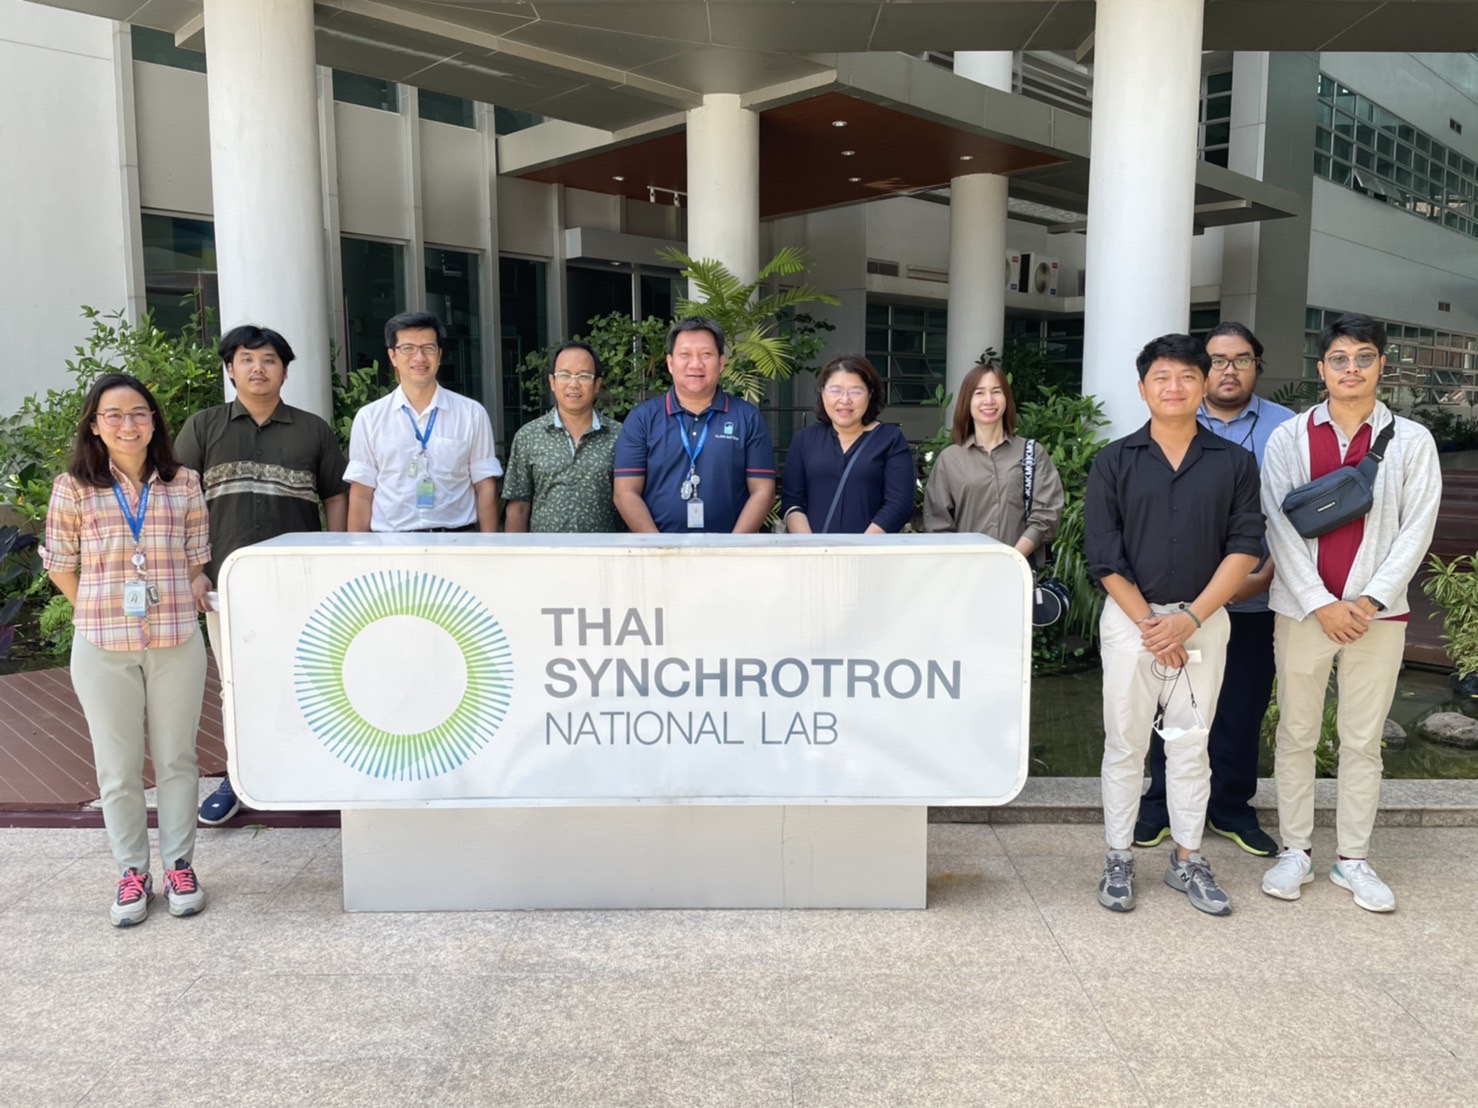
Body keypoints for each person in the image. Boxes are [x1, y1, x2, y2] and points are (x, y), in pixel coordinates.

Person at [1259, 313, 1442, 912]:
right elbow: (1278, 525)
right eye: (1339, 359)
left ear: (1382, 365)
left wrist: (1367, 601)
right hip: (1302, 612)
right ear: (1322, 368)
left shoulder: (1411, 441)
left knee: (1363, 740)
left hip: (1377, 617)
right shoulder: (1290, 438)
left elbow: (1417, 529)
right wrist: (1320, 602)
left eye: (1364, 357)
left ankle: (1354, 859)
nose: (1352, 368)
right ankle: (1296, 850)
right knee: (1296, 733)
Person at [1085, 334, 1263, 916]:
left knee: (1191, 746)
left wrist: (1187, 619)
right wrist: (1151, 624)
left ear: (1203, 384)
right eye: (1161, 377)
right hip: (1130, 622)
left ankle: (1188, 859)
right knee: (1125, 743)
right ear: (1143, 389)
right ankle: (1118, 855)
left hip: (1203, 620)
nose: (1174, 387)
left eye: (1187, 376)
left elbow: (1244, 547)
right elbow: (1103, 555)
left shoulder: (1234, 462)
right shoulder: (1114, 461)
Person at [41, 373, 212, 927]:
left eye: (138, 413)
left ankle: (180, 865)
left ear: (154, 421)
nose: (127, 424)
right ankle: (132, 872)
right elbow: (60, 565)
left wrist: (183, 590)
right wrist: (95, 609)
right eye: (113, 415)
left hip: (176, 638)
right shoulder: (73, 487)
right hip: (102, 643)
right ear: (94, 425)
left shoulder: (183, 482)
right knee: (117, 767)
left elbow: (195, 557)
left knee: (177, 759)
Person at [174, 324, 349, 826]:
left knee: (304, 678)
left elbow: (336, 496)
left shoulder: (312, 430)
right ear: (230, 369)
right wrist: (194, 572)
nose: (258, 368)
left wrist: (333, 559)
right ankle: (240, 776)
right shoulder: (204, 427)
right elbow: (177, 500)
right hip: (222, 584)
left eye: (269, 360)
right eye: (247, 359)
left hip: (297, 582)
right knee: (236, 682)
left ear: (285, 372)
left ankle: (306, 772)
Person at [1134, 323, 1296, 857]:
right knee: (1169, 705)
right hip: (1178, 605)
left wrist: (1264, 574)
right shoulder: (1173, 414)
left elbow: (1294, 515)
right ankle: (1161, 803)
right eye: (1218, 360)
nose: (1229, 370)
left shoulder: (1285, 428)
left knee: (1241, 707)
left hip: (1257, 594)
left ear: (1256, 366)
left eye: (1241, 359)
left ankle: (1230, 806)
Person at [613, 317, 775, 534]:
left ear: (721, 362)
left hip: (729, 547)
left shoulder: (747, 417)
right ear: (670, 363)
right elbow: (625, 492)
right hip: (659, 547)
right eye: (685, 354)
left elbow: (763, 491)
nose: (696, 364)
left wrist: (733, 546)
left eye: (706, 354)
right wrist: (659, 547)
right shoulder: (642, 419)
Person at [345, 311, 501, 533]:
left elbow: (485, 486)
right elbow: (361, 494)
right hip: (391, 542)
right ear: (392, 356)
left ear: (439, 354)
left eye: (428, 348)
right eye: (408, 348)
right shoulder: (370, 417)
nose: (419, 357)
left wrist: (489, 546)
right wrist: (359, 549)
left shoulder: (471, 414)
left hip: (457, 540)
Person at [922, 361, 1064, 559]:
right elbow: (937, 525)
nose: (989, 400)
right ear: (967, 401)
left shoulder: (1032, 453)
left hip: (1018, 569)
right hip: (966, 569)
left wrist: (1012, 559)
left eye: (996, 391)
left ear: (1006, 398)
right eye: (979, 393)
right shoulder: (950, 459)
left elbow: (1046, 514)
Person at [781, 354, 913, 534]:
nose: (845, 400)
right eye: (835, 390)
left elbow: (899, 503)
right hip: (813, 549)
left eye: (855, 391)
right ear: (823, 392)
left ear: (870, 394)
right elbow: (792, 501)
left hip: (870, 549)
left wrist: (861, 546)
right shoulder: (804, 440)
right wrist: (811, 545)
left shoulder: (890, 439)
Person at [503, 340, 623, 533]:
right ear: (552, 382)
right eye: (565, 375)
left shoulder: (620, 436)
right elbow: (518, 508)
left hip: (603, 549)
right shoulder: (529, 436)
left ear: (597, 384)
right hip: (545, 550)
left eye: (583, 376)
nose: (573, 384)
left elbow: (631, 499)